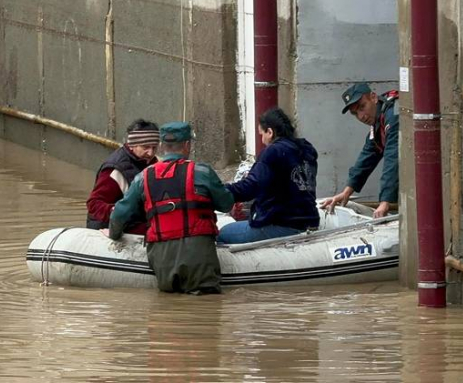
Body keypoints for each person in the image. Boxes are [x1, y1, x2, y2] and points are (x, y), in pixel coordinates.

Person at [107, 122, 235, 294]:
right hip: (198, 255)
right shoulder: (203, 172)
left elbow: (119, 215)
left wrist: (113, 235)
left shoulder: (142, 177)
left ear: (161, 146)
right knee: (206, 307)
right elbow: (226, 204)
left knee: (168, 309)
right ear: (187, 145)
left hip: (162, 258)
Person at [217, 107, 319, 244]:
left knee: (221, 233)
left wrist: (220, 191)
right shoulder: (307, 151)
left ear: (270, 132)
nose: (262, 140)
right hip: (310, 222)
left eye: (262, 134)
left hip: (282, 226)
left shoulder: (273, 151)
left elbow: (251, 187)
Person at [321, 83, 399, 218]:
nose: (361, 116)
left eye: (362, 107)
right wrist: (346, 192)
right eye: (355, 113)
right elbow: (367, 155)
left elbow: (393, 158)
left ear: (373, 98)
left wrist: (385, 202)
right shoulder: (379, 120)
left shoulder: (393, 115)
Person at [86, 119, 160, 233]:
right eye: (145, 147)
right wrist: (119, 212)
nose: (150, 153)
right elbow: (94, 204)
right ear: (132, 145)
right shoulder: (114, 169)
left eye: (154, 148)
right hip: (111, 227)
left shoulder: (151, 163)